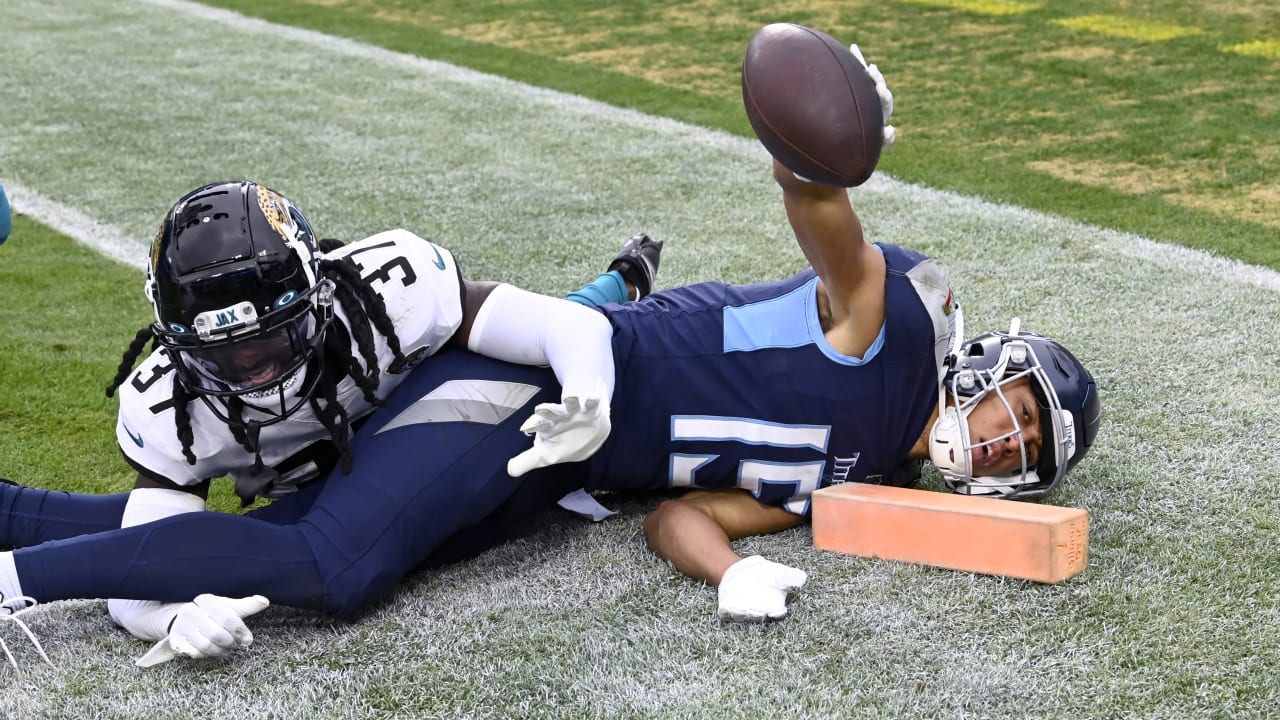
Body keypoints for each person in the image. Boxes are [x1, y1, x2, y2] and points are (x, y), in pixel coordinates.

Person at [0, 40, 1099, 665]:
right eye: (1012, 410)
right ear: (979, 362)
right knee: (332, 564)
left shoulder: (866, 480)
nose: (998, 443)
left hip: (558, 462)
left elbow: (684, 513)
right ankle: (19, 581)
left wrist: (732, 573)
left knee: (296, 533)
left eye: (1021, 451)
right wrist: (824, 149)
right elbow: (825, 219)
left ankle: (13, 512)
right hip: (535, 385)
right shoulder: (884, 331)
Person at [0, 179, 661, 665]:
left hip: (437, 416)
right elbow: (142, 555)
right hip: (325, 492)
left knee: (536, 354)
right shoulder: (166, 401)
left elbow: (547, 325)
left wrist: (589, 392)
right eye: (223, 356)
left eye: (269, 342)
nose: (253, 371)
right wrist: (171, 615)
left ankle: (620, 283)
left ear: (318, 296)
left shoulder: (387, 291)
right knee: (243, 533)